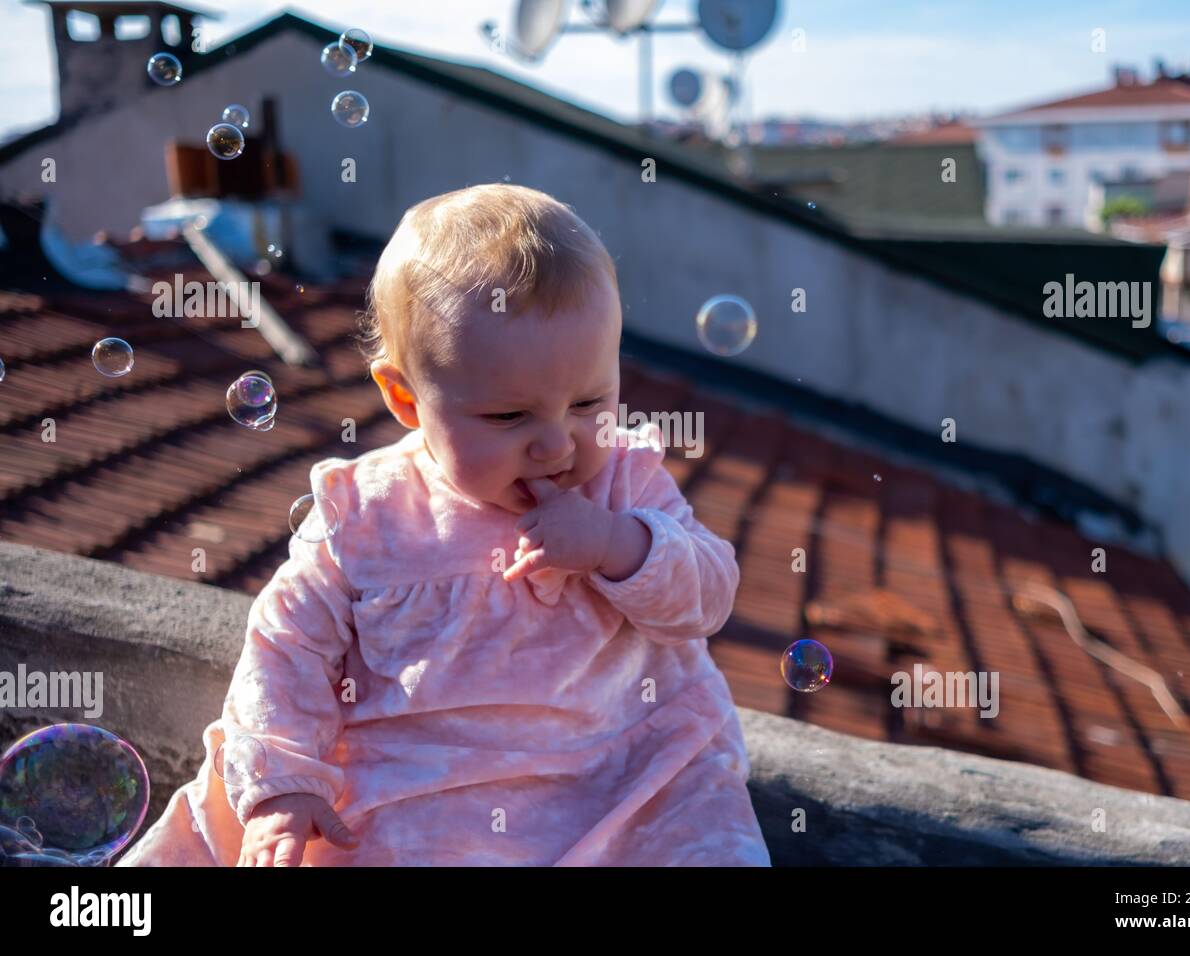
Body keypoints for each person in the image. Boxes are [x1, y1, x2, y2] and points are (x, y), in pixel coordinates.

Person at [116, 184, 770, 866]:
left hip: (627, 779)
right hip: (424, 794)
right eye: (508, 417)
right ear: (405, 397)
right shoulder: (367, 516)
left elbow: (708, 595)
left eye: (588, 401)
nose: (557, 445)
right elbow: (286, 650)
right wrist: (283, 787)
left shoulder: (624, 482)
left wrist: (618, 545)